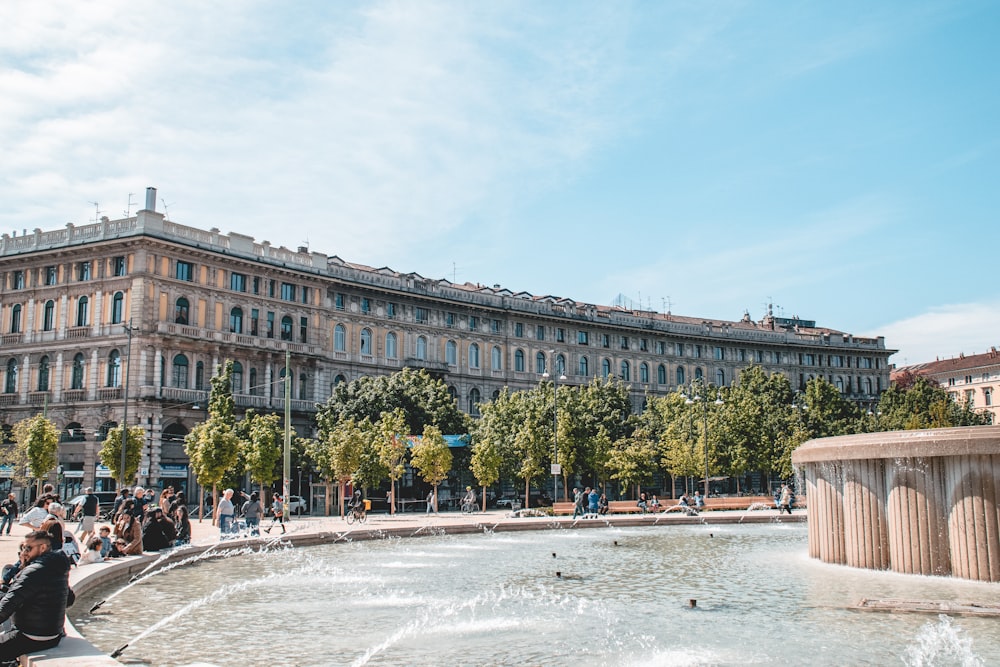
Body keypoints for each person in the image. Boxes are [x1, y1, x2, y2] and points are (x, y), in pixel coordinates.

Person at [0, 530, 74, 661]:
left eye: (28, 548)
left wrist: (24, 568)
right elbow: (69, 599)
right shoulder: (57, 566)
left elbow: (7, 605)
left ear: (43, 547)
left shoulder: (34, 570)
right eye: (23, 548)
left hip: (31, 636)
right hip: (53, 635)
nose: (24, 552)